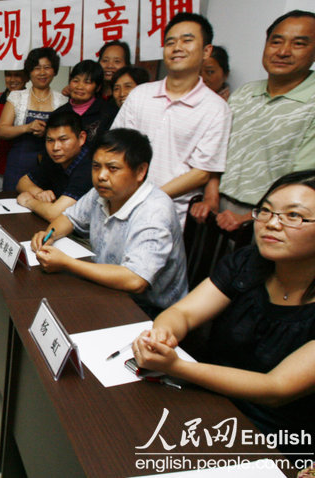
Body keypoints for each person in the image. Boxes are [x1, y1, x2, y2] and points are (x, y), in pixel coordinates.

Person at [133, 170, 315, 467]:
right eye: (266, 210)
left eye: (293, 215)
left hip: (274, 440)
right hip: (211, 403)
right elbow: (183, 312)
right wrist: (164, 334)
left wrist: (177, 366)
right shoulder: (247, 262)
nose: (271, 223)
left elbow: (276, 388)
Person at [30, 128, 187, 318]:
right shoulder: (103, 191)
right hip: (108, 288)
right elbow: (69, 218)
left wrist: (67, 263)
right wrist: (50, 234)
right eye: (96, 167)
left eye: (113, 168)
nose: (101, 176)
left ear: (140, 171)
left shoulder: (155, 212)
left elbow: (135, 280)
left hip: (149, 311)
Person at [191, 10, 315, 231]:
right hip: (217, 208)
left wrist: (252, 216)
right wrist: (211, 196)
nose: (283, 51)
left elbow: (304, 181)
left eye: (298, 44)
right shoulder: (244, 93)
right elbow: (216, 150)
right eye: (276, 41)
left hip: (276, 220)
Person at [112, 12, 231, 227]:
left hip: (167, 216)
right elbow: (116, 145)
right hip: (119, 202)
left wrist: (145, 199)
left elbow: (201, 173)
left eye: (187, 40)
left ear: (206, 51)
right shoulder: (140, 94)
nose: (177, 47)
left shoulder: (216, 108)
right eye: (170, 42)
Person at [0, 47, 67, 191]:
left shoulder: (62, 100)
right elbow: (1, 131)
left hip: (50, 165)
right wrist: (27, 127)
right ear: (30, 72)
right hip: (18, 163)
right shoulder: (17, 97)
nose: (42, 72)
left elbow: (66, 135)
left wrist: (47, 132)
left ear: (54, 71)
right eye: (36, 68)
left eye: (47, 67)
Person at [16, 111, 92, 222]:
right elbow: (22, 182)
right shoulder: (56, 157)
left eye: (63, 139)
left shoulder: (89, 167)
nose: (55, 147)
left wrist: (28, 201)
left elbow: (55, 214)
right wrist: (39, 193)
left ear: (81, 138)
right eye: (50, 140)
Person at [51, 59, 118, 149]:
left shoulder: (109, 113)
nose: (80, 87)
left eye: (87, 82)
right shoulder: (58, 114)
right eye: (75, 81)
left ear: (98, 87)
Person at [0, 70, 27, 191]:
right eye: (8, 75)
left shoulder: (32, 101)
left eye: (17, 75)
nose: (12, 79)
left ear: (27, 77)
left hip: (24, 170)